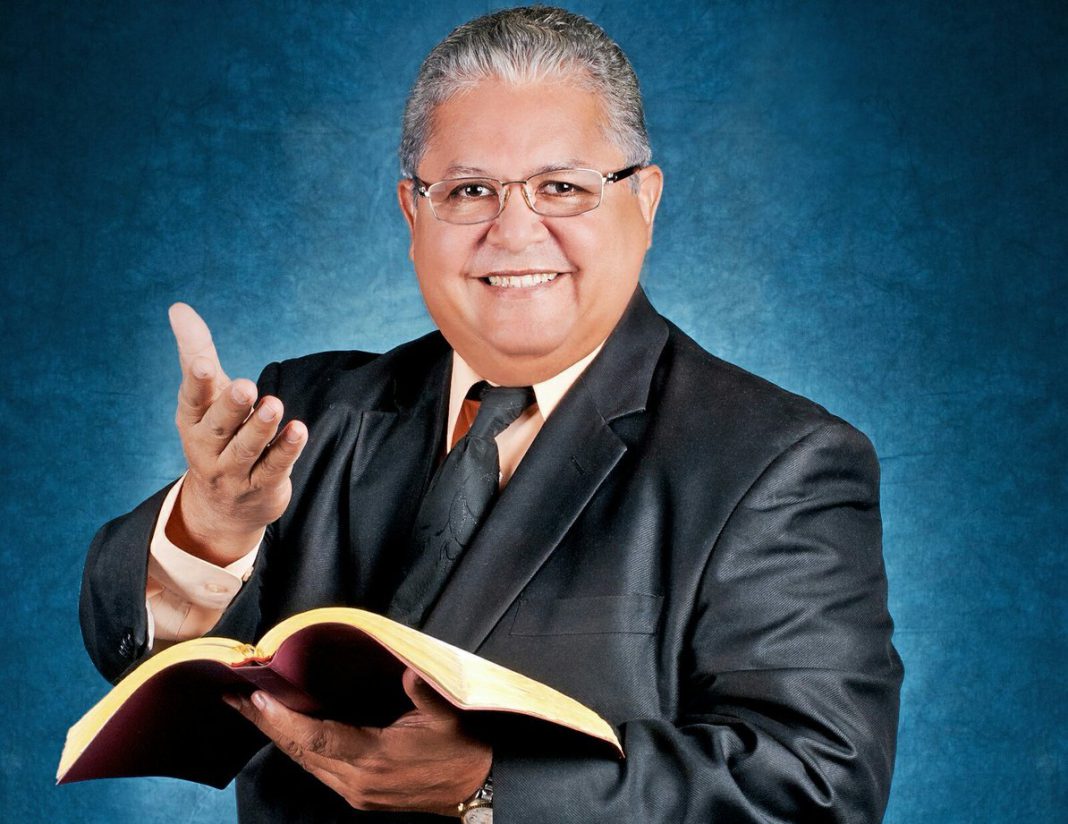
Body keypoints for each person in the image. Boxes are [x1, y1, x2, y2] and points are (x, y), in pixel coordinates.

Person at [80, 6, 902, 823]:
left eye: (562, 188)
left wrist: (489, 787)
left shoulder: (775, 460)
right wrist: (212, 528)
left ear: (645, 202)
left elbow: (818, 785)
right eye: (470, 190)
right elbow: (142, 667)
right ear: (413, 215)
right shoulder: (308, 411)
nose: (514, 232)